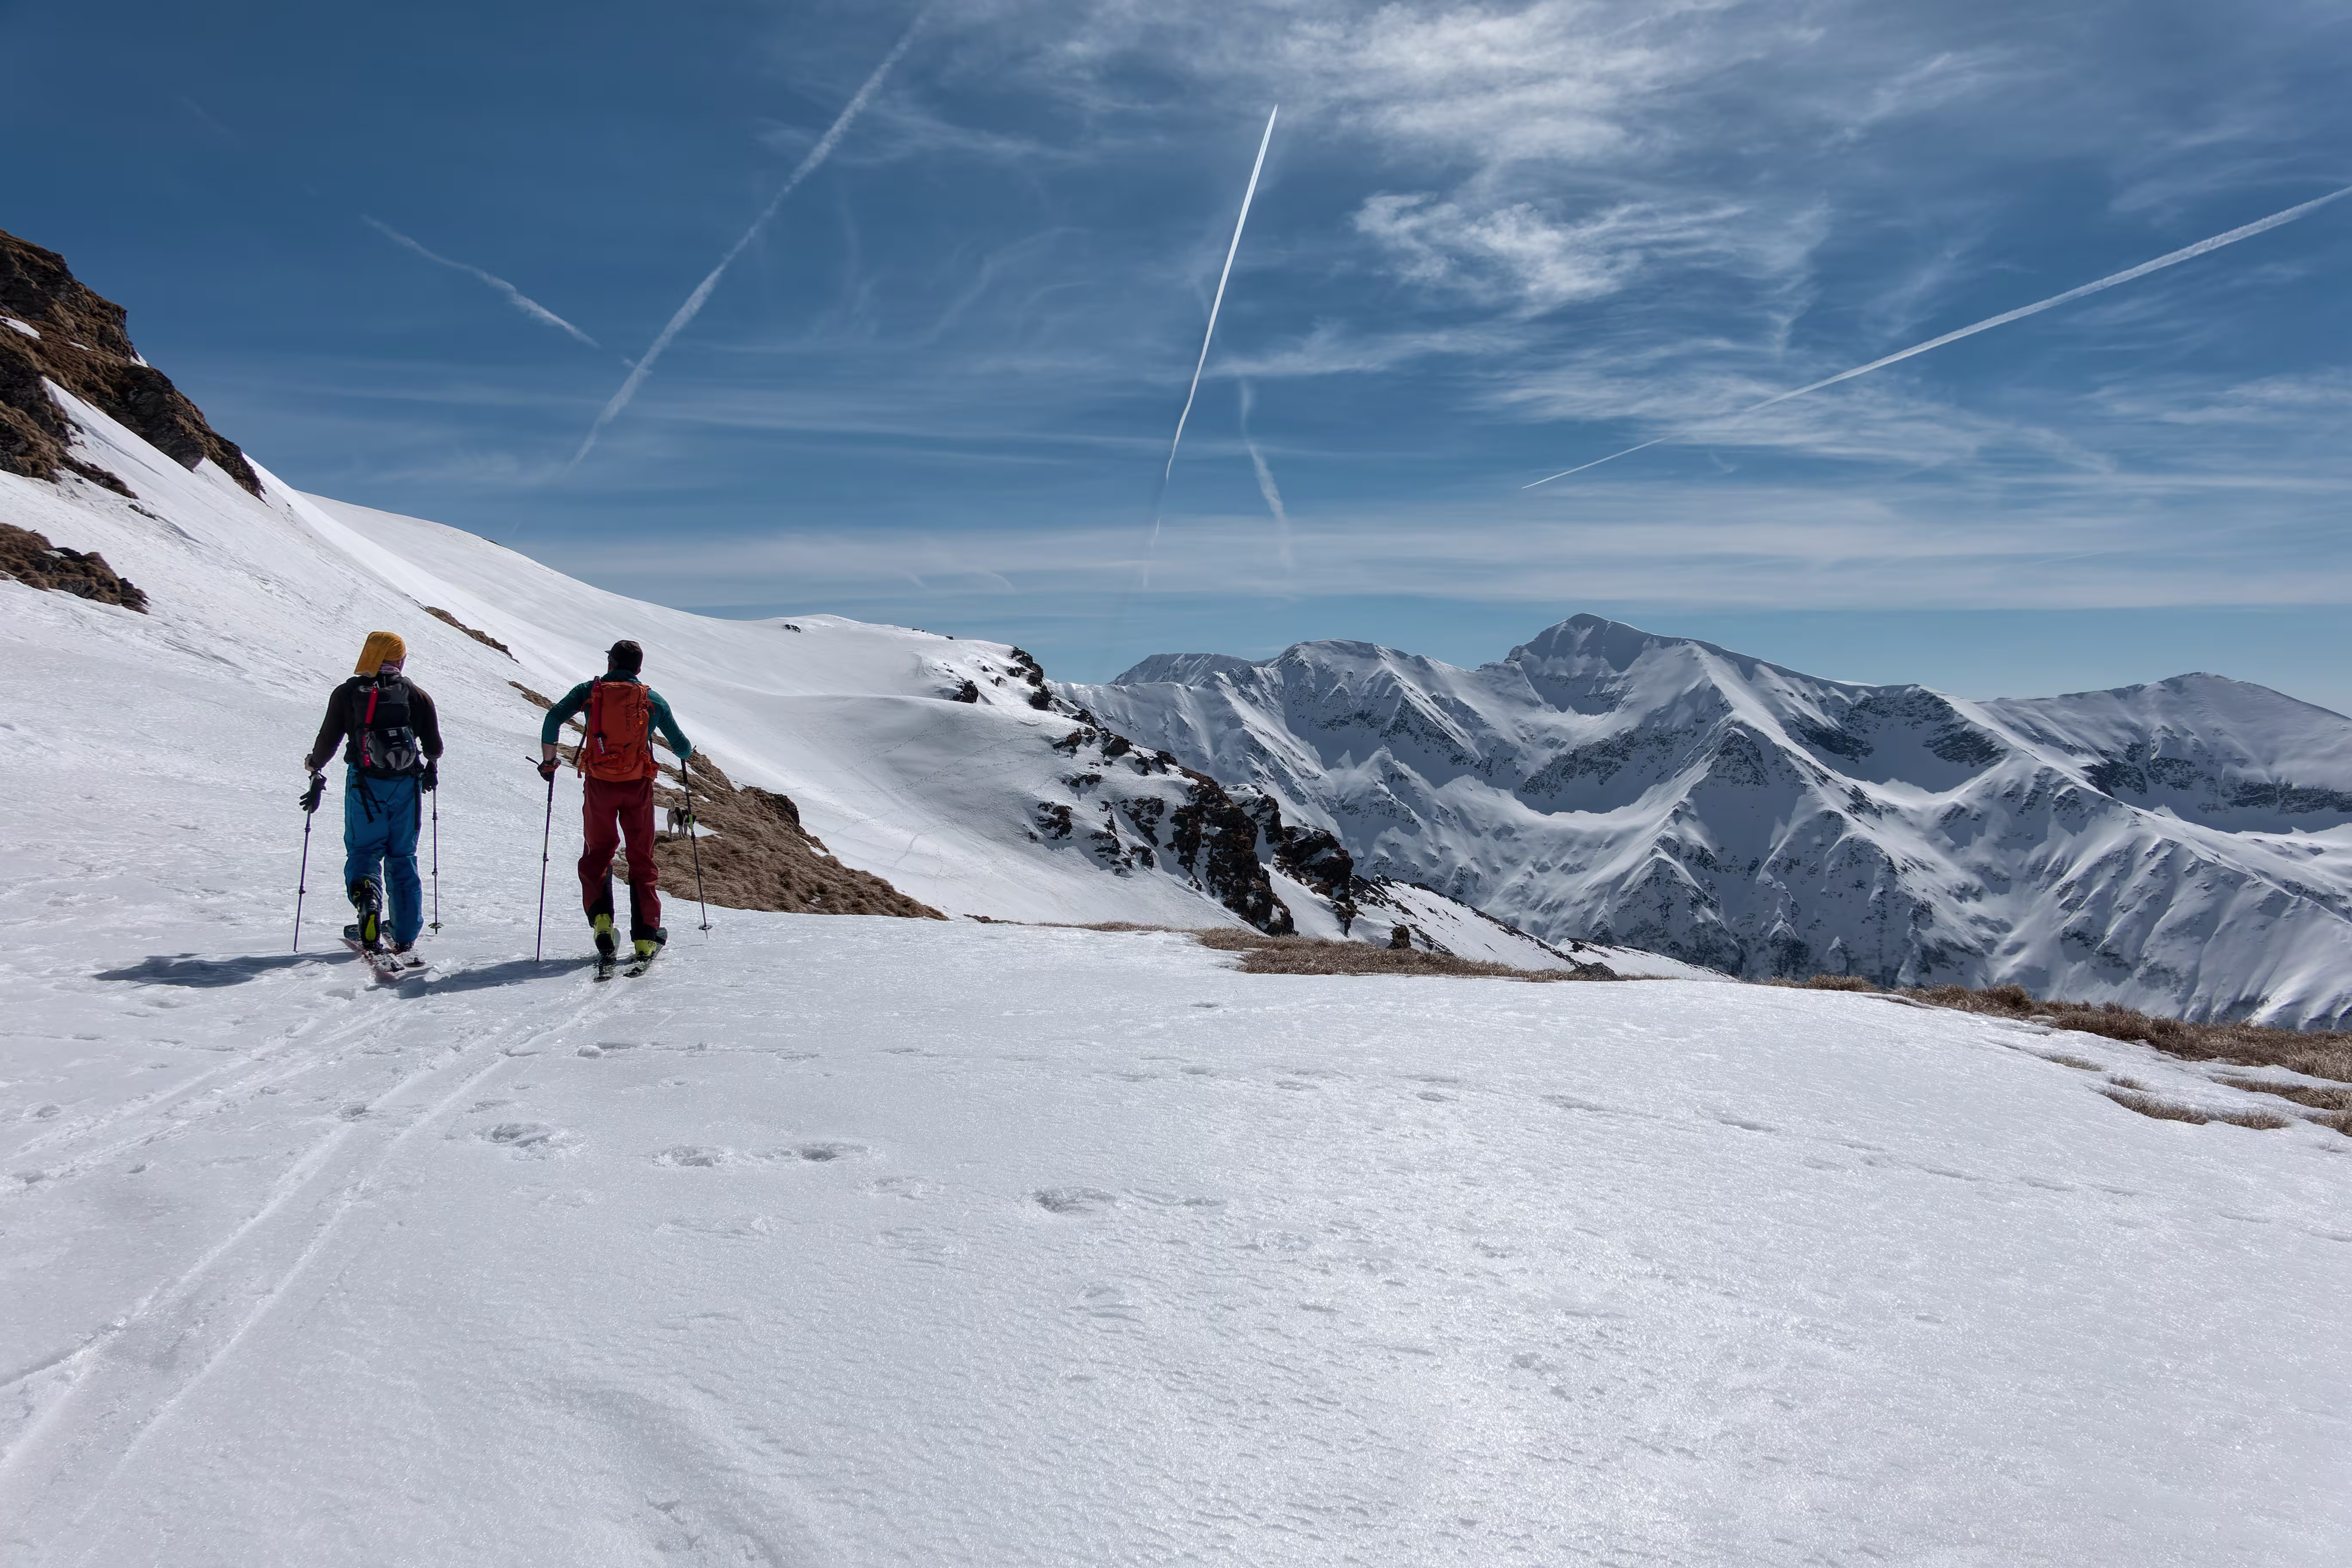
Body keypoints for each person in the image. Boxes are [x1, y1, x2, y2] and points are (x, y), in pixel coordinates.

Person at [539, 640, 693, 963]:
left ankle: (602, 923)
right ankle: (646, 939)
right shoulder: (652, 699)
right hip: (638, 787)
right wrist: (683, 751)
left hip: (599, 784)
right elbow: (682, 747)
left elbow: (553, 718)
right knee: (641, 858)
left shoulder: (589, 691)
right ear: (639, 668)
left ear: (611, 663)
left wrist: (549, 761)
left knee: (598, 853)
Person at [304, 631, 442, 956]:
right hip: (406, 785)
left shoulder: (348, 693)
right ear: (399, 659)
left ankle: (368, 898)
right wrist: (430, 767)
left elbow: (328, 739)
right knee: (403, 856)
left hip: (364, 785)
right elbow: (434, 747)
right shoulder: (415, 695)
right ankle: (404, 934)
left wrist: (315, 766)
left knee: (364, 851)